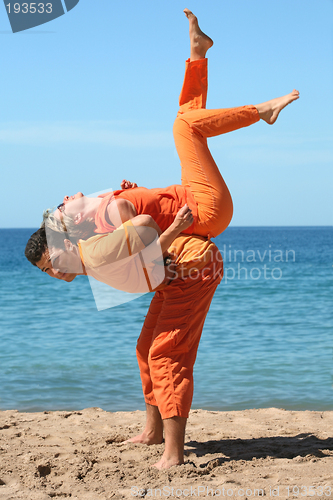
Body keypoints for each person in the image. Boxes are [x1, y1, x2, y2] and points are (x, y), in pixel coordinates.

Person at [24, 8, 299, 469]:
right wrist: (146, 244)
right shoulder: (94, 236)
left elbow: (134, 232)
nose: (57, 275)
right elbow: (130, 259)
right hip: (196, 224)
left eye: (51, 265)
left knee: (186, 125)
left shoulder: (100, 223)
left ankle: (173, 453)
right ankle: (198, 54)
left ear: (61, 244)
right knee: (187, 120)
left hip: (203, 215)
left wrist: (142, 226)